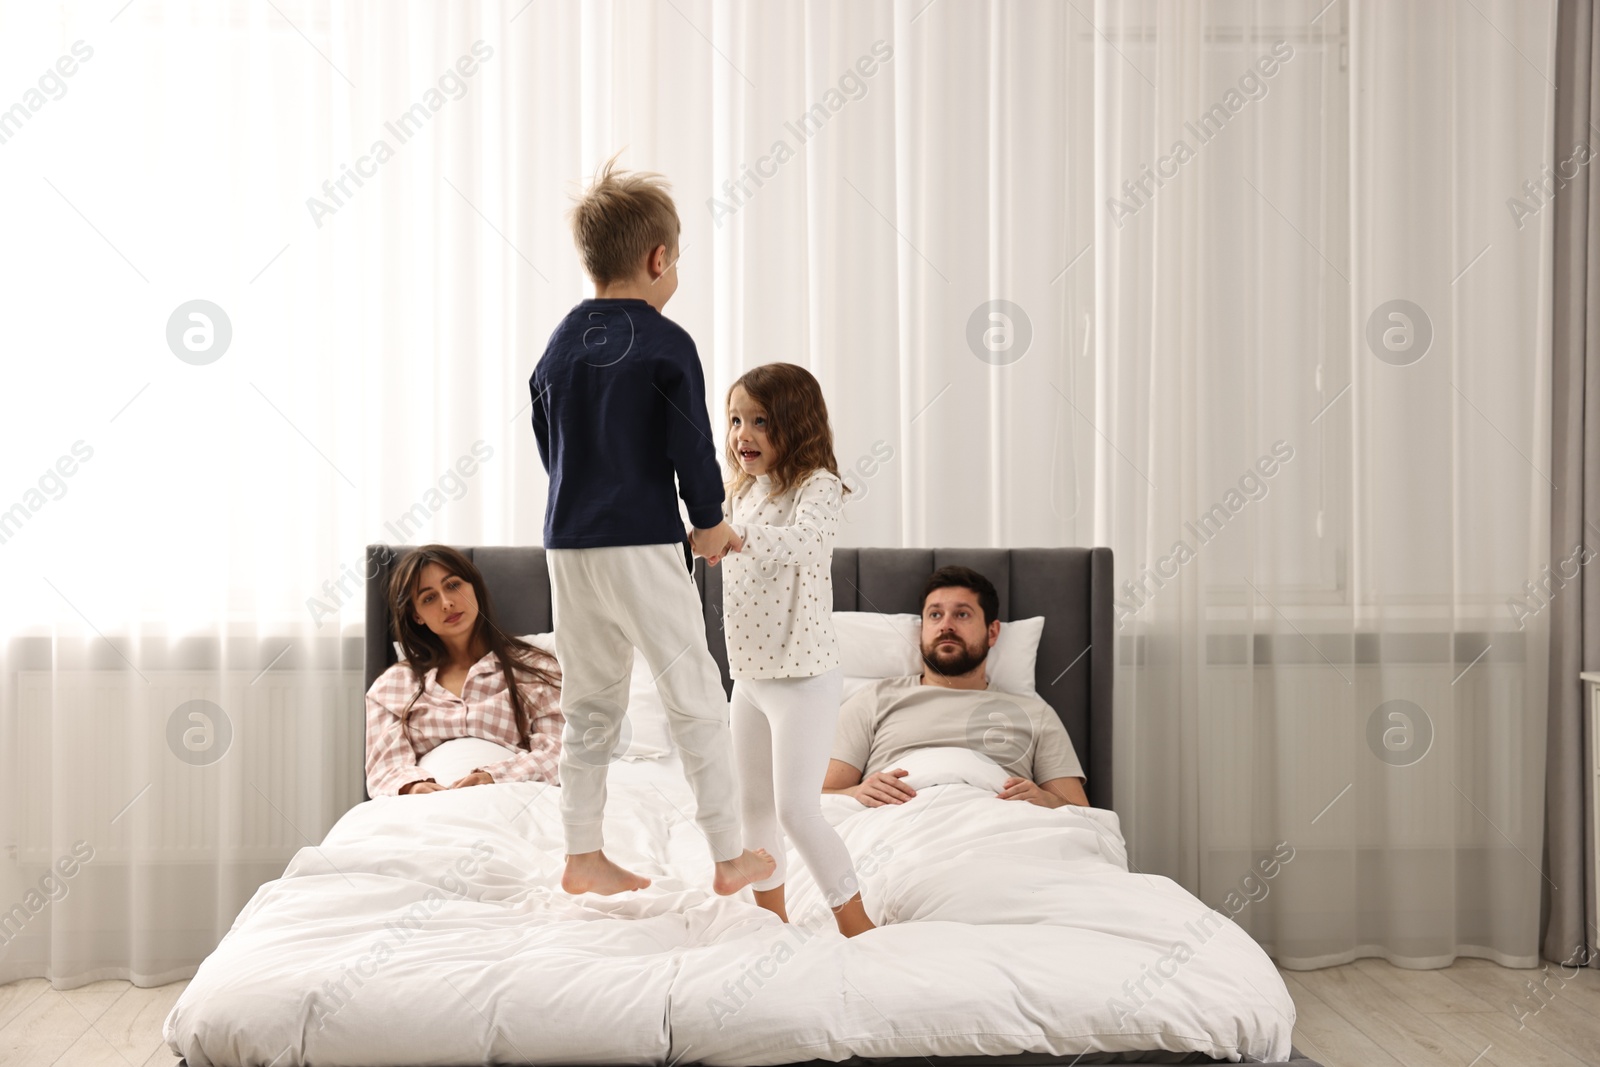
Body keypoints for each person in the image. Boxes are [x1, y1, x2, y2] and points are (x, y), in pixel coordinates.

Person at [529, 153, 775, 897]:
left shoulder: (561, 343)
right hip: (638, 540)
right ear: (658, 257)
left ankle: (581, 853)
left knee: (590, 701)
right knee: (694, 690)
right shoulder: (667, 343)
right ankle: (730, 855)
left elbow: (550, 442)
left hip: (567, 544)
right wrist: (708, 523)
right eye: (678, 260)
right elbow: (691, 448)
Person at [716, 363, 876, 938]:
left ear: (795, 425)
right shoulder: (743, 493)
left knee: (797, 810)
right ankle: (772, 922)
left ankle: (857, 923)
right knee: (752, 804)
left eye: (760, 421)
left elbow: (803, 544)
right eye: (736, 419)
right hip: (750, 676)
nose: (743, 434)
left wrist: (735, 538)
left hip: (803, 675)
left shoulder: (819, 487)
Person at [822, 565, 1091, 809]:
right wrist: (857, 792)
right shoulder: (874, 700)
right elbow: (823, 796)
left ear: (992, 632)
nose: (946, 626)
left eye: (962, 614)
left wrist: (1045, 800)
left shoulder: (1035, 714)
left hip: (1001, 828)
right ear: (922, 631)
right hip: (898, 827)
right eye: (935, 615)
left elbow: (1082, 814)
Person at [365, 545, 564, 797]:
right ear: (417, 616)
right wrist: (414, 787)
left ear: (474, 588)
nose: (447, 603)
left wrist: (493, 777)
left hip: (511, 798)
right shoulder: (392, 686)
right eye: (429, 598)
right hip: (425, 809)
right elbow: (384, 770)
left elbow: (559, 753)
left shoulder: (537, 669)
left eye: (453, 586)